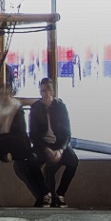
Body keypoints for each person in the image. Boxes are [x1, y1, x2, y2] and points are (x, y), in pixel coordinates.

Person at [29, 77, 78, 208]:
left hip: (59, 144)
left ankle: (60, 193)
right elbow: (33, 134)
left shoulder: (60, 107)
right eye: (42, 91)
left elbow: (67, 133)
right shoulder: (36, 108)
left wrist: (60, 149)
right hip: (43, 144)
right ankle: (46, 193)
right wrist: (46, 149)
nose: (43, 94)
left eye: (46, 91)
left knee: (73, 161)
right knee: (31, 161)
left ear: (52, 92)